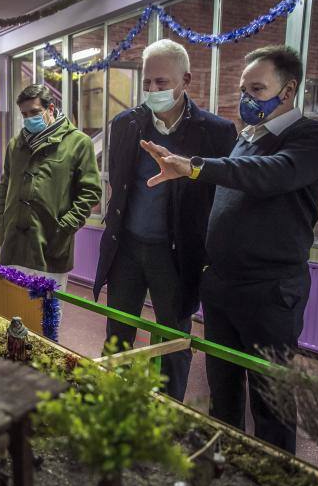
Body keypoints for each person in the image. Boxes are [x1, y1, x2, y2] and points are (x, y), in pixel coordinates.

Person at [140, 45, 318, 453]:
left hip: (269, 291)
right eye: (244, 88)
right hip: (222, 286)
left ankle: (275, 483)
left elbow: (270, 175)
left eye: (257, 88)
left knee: (271, 401)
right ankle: (221, 466)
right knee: (222, 392)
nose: (247, 97)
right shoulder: (246, 138)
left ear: (288, 90)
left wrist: (195, 166)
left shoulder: (311, 137)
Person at [93, 39, 236, 401]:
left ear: (185, 80)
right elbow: (119, 186)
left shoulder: (215, 132)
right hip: (127, 248)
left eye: (162, 83)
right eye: (147, 84)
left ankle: (170, 416)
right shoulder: (126, 124)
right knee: (118, 333)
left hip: (175, 255)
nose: (153, 90)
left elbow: (223, 196)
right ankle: (113, 406)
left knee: (173, 338)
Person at [0, 84, 100, 291]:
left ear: (50, 109)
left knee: (47, 316)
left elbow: (90, 191)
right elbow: (5, 184)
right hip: (13, 242)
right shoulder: (16, 145)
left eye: (35, 112)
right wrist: (0, 216)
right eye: (24, 114)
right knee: (13, 311)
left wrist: (65, 227)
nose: (29, 118)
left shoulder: (78, 143)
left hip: (50, 244)